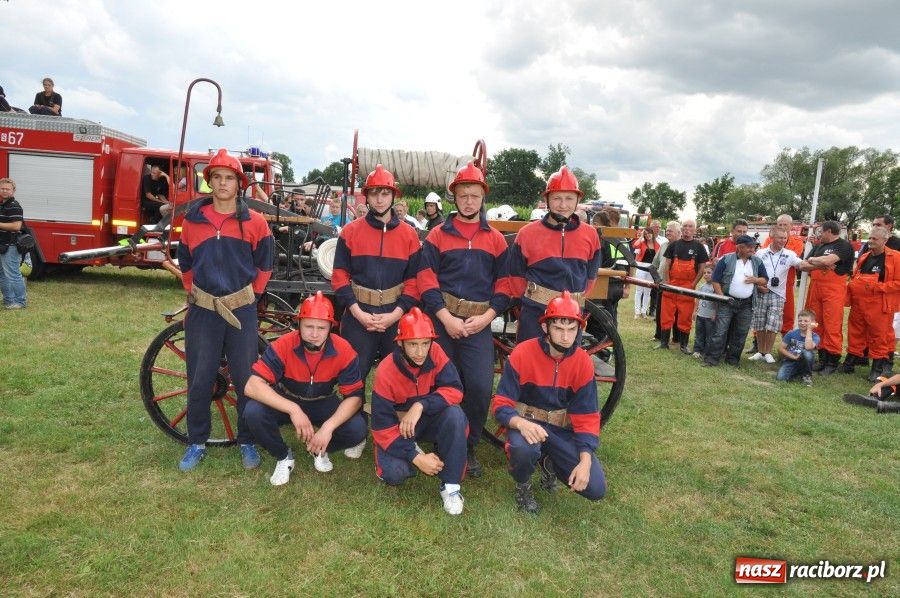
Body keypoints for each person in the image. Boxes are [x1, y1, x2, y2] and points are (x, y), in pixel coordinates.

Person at [175, 149, 274, 471]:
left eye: (228, 178)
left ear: (238, 184)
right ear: (209, 182)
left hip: (241, 311)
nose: (222, 183)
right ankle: (197, 441)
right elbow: (186, 264)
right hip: (204, 312)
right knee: (200, 378)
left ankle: (247, 440)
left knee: (246, 379)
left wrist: (252, 295)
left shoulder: (255, 223)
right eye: (216, 177)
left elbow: (265, 264)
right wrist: (196, 293)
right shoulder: (192, 221)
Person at [417, 161, 509, 477]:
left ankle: (468, 447)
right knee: (441, 382)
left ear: (483, 197)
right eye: (463, 195)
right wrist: (445, 318)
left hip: (478, 324)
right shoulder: (437, 236)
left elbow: (505, 284)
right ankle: (444, 440)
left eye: (474, 195)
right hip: (443, 321)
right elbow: (426, 280)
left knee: (481, 387)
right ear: (454, 197)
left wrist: (487, 317)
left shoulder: (496, 240)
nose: (468, 201)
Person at [492, 291, 607, 514]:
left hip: (561, 431)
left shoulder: (583, 363)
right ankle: (523, 485)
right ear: (545, 327)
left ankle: (549, 462)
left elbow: (587, 417)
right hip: (527, 424)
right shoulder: (522, 353)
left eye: (572, 329)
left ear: (579, 329)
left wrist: (585, 461)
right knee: (522, 449)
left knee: (596, 488)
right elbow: (501, 404)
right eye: (558, 328)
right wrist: (520, 423)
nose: (565, 337)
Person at [243, 292, 367, 486]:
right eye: (309, 326)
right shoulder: (283, 344)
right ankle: (283, 456)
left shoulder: (344, 350)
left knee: (358, 429)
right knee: (252, 412)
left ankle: (319, 448)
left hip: (323, 400)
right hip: (287, 397)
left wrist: (328, 427)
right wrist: (293, 409)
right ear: (299, 324)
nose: (315, 334)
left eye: (321, 328)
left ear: (330, 328)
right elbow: (252, 386)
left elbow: (355, 398)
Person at [370, 307, 468, 515]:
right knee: (396, 474)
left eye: (425, 343)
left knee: (456, 415)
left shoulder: (437, 353)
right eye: (413, 344)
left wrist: (421, 405)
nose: (420, 351)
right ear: (400, 343)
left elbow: (455, 390)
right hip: (397, 426)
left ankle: (451, 487)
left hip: (425, 418)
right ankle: (407, 450)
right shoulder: (385, 371)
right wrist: (415, 457)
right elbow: (381, 428)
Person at [331, 164, 421, 389]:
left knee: (401, 376)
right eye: (374, 193)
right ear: (367, 197)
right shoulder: (351, 231)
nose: (380, 199)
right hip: (359, 313)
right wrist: (357, 312)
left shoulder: (409, 235)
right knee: (354, 374)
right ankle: (354, 421)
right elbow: (340, 275)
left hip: (395, 315)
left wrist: (396, 314)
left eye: (385, 193)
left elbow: (414, 282)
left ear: (393, 196)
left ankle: (394, 421)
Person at [503, 166, 601, 342]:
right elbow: (515, 276)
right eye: (557, 198)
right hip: (535, 313)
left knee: (566, 365)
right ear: (547, 199)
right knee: (530, 363)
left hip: (571, 316)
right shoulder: (527, 234)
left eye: (569, 198)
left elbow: (591, 276)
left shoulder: (590, 235)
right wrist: (533, 300)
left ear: (578, 199)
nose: (563, 205)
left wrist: (571, 300)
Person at [840, 226, 900, 381]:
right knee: (855, 332)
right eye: (870, 238)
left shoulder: (895, 257)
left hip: (879, 304)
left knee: (879, 336)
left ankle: (877, 368)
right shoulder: (864, 256)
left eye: (874, 239)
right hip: (859, 302)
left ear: (885, 240)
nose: (870, 242)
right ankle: (850, 363)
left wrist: (879, 287)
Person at [702, 235, 768, 367]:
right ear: (739, 247)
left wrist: (756, 280)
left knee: (741, 332)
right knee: (720, 331)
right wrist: (722, 298)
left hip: (747, 303)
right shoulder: (726, 259)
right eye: (749, 246)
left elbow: (765, 279)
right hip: (727, 300)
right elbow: (715, 280)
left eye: (753, 246)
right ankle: (712, 359)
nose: (752, 249)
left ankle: (732, 361)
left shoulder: (757, 261)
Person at [802, 221, 855, 374]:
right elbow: (803, 265)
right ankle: (822, 358)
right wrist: (820, 263)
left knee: (832, 324)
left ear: (829, 231)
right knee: (816, 323)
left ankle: (832, 361)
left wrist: (818, 261)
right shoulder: (819, 246)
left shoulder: (844, 246)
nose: (819, 235)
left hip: (834, 289)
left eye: (821, 232)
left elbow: (827, 261)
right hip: (816, 287)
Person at [749, 227, 803, 363]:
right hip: (762, 291)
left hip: (778, 294)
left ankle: (767, 352)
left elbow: (801, 264)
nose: (783, 241)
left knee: (773, 324)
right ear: (772, 237)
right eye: (780, 238)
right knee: (760, 323)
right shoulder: (760, 253)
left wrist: (817, 263)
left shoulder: (789, 254)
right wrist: (758, 286)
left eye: (785, 238)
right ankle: (760, 351)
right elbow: (752, 270)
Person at [658, 219, 707, 352]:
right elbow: (667, 264)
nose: (687, 228)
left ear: (694, 230)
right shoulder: (674, 245)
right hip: (671, 285)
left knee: (685, 316)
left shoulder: (699, 247)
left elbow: (702, 268)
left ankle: (684, 346)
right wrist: (667, 282)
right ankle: (663, 343)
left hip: (688, 287)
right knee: (666, 315)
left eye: (690, 226)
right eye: (685, 226)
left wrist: (693, 284)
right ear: (681, 229)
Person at [761, 214, 806, 336]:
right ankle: (757, 341)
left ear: (791, 226)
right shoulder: (768, 240)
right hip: (767, 282)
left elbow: (792, 258)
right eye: (780, 224)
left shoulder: (797, 242)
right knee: (762, 312)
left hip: (786, 283)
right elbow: (766, 256)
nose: (782, 227)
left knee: (788, 313)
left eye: (785, 224)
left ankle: (787, 338)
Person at [0, 178, 27, 309]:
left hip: (11, 246)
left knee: (13, 275)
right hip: (2, 246)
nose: (4, 191)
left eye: (7, 189)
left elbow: (16, 226)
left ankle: (20, 302)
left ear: (13, 191)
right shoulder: (2, 205)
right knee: (2, 274)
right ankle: (9, 300)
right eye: (2, 188)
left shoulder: (14, 205)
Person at [652, 221, 681, 340]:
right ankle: (659, 335)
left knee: (677, 312)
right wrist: (657, 280)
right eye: (667, 230)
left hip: (677, 286)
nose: (667, 232)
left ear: (679, 232)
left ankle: (677, 338)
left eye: (671, 230)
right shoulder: (663, 245)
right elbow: (654, 264)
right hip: (662, 285)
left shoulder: (682, 246)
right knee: (660, 311)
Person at [776, 309, 820, 386]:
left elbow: (808, 347)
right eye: (800, 321)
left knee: (806, 352)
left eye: (806, 321)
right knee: (781, 378)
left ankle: (806, 376)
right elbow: (781, 348)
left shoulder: (815, 337)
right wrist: (793, 357)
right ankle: (798, 372)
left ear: (812, 322)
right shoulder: (791, 333)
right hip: (791, 360)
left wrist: (809, 329)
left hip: (805, 361)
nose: (802, 323)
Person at [632, 227, 659, 319]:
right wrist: (641, 237)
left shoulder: (657, 245)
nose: (648, 236)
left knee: (648, 291)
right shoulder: (642, 243)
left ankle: (644, 311)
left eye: (649, 234)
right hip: (641, 268)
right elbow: (635, 245)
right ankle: (637, 312)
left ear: (652, 234)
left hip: (651, 269)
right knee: (639, 290)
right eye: (646, 234)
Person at [691, 264, 716, 358]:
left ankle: (707, 351)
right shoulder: (702, 286)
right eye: (704, 273)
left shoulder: (715, 287)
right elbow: (697, 299)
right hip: (700, 315)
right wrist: (694, 311)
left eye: (709, 272)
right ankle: (697, 350)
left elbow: (717, 302)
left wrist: (715, 313)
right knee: (699, 333)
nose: (706, 274)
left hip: (710, 316)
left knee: (709, 335)